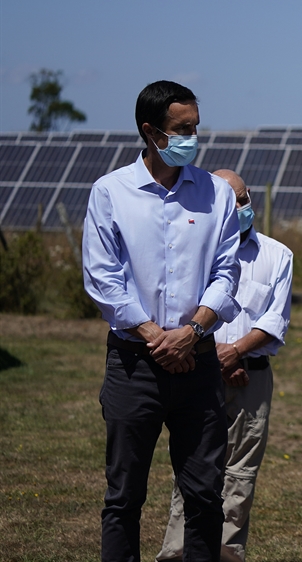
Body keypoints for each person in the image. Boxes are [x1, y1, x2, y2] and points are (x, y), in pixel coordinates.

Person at [83, 80, 241, 562]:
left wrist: (191, 332)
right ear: (151, 132)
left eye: (195, 127)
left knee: (204, 496)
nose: (192, 137)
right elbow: (103, 278)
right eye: (181, 129)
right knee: (124, 496)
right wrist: (156, 337)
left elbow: (226, 272)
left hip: (199, 365)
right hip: (134, 365)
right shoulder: (111, 193)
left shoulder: (217, 194)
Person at [156, 170, 293, 562]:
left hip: (252, 377)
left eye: (244, 198)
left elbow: (274, 320)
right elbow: (181, 311)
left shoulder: (277, 255)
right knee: (194, 470)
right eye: (229, 200)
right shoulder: (190, 251)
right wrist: (217, 356)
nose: (239, 207)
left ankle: (226, 554)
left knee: (239, 475)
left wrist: (236, 353)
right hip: (198, 371)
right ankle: (176, 554)